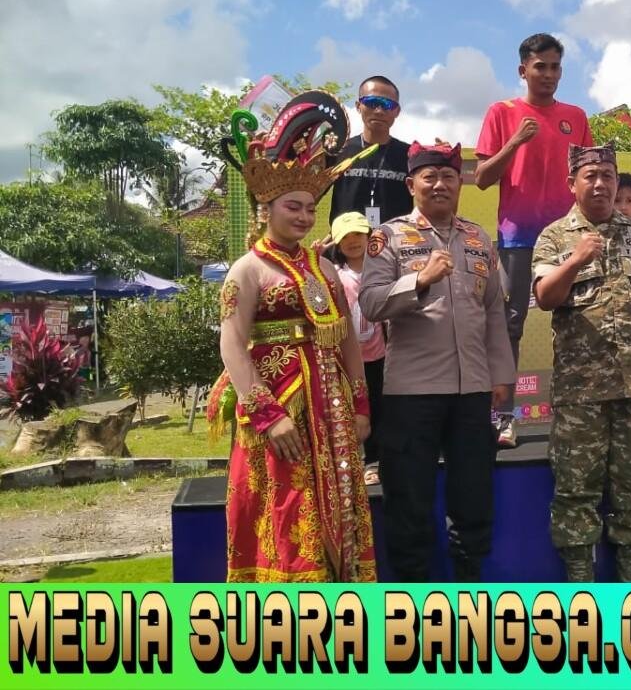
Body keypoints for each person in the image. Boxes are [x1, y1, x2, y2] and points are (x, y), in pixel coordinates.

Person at [208, 91, 377, 582]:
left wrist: (360, 403)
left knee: (340, 500)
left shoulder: (322, 266)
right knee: (286, 503)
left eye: (309, 208)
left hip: (331, 409)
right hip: (281, 409)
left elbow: (344, 337)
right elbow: (231, 345)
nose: (303, 217)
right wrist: (267, 414)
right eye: (293, 207)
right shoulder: (248, 270)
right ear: (266, 208)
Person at [359, 142, 515, 581]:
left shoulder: (477, 238)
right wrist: (419, 280)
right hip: (412, 393)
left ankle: (467, 594)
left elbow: (493, 314)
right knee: (409, 500)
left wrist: (501, 376)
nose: (441, 184)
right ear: (412, 185)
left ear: (460, 184)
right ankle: (413, 602)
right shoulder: (386, 237)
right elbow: (370, 303)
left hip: (472, 392)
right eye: (430, 176)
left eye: (449, 176)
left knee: (473, 497)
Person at [532, 142, 631, 582]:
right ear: (572, 183)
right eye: (590, 175)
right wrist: (575, 260)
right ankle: (581, 582)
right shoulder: (554, 237)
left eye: (608, 175)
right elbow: (544, 297)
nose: (600, 183)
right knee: (577, 488)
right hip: (581, 392)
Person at [475, 34, 594, 447]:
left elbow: (590, 176)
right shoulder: (502, 112)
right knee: (509, 325)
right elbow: (484, 178)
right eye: (540, 66)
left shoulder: (576, 116)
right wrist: (515, 142)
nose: (548, 74)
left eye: (555, 66)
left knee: (582, 318)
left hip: (569, 236)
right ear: (522, 70)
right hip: (517, 237)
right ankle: (502, 416)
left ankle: (580, 412)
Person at [331, 211, 387, 484]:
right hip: (345, 359)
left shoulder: (383, 270)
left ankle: (375, 460)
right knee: (348, 410)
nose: (353, 242)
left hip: (379, 355)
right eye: (346, 237)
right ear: (337, 244)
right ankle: (349, 462)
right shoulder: (335, 275)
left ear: (369, 237)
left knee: (379, 407)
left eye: (358, 235)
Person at [329, 76, 413, 227]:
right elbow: (308, 194)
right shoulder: (338, 150)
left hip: (395, 246)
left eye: (388, 105)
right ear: (358, 105)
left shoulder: (410, 155)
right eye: (372, 102)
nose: (379, 111)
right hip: (346, 245)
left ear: (397, 111)